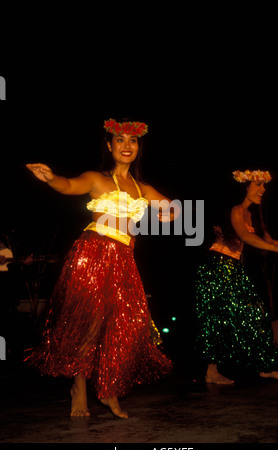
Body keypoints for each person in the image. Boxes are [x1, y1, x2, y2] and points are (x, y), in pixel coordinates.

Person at [25, 118, 178, 418]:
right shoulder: (97, 179)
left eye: (132, 141)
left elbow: (173, 209)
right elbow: (69, 185)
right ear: (109, 146)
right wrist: (51, 177)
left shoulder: (142, 187)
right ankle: (79, 387)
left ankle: (108, 389)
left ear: (138, 147)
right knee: (89, 324)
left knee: (126, 327)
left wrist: (168, 215)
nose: (126, 145)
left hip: (124, 260)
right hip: (93, 253)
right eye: (119, 140)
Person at [195, 169, 278, 385]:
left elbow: (270, 242)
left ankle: (265, 366)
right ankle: (212, 372)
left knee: (255, 314)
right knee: (218, 320)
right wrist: (276, 249)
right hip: (217, 268)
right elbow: (245, 236)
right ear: (244, 187)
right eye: (258, 185)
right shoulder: (235, 210)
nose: (263, 190)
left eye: (264, 185)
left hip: (232, 268)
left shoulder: (251, 215)